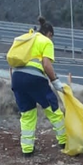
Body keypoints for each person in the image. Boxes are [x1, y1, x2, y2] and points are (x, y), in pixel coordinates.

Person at [9, 16, 67, 157]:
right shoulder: (45, 41)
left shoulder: (27, 38)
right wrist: (55, 81)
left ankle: (27, 150)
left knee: (27, 115)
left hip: (17, 78)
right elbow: (46, 64)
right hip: (34, 78)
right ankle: (64, 142)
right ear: (49, 34)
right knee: (53, 110)